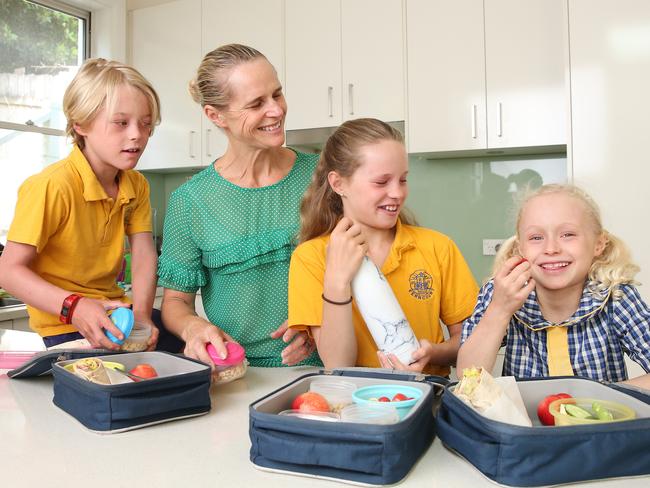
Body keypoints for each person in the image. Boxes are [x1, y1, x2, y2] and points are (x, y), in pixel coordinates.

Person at [158, 44, 319, 367]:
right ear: (215, 116)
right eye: (257, 103)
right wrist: (194, 326)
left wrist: (321, 320)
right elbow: (175, 302)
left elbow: (366, 268)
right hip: (236, 373)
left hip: (326, 365)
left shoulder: (321, 177)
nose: (275, 110)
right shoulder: (190, 201)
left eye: (277, 94)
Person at [287, 118, 479, 375]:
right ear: (338, 184)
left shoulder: (437, 247)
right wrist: (337, 280)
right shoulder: (311, 258)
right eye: (381, 182)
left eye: (403, 180)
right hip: (356, 402)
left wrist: (434, 351)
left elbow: (470, 341)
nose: (397, 193)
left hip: (428, 396)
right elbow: (337, 364)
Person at [0, 58, 161, 350]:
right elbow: (8, 272)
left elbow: (143, 252)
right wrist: (74, 306)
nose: (137, 134)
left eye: (146, 124)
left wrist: (141, 314)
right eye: (121, 123)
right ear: (80, 124)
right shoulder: (53, 185)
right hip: (63, 324)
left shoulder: (136, 184)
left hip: (116, 313)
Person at [457, 184, 650, 389]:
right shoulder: (500, 294)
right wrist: (499, 310)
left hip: (598, 421)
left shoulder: (617, 296)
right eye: (536, 237)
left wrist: (601, 397)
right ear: (520, 248)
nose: (551, 249)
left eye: (567, 234)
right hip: (522, 421)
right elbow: (468, 377)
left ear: (598, 244)